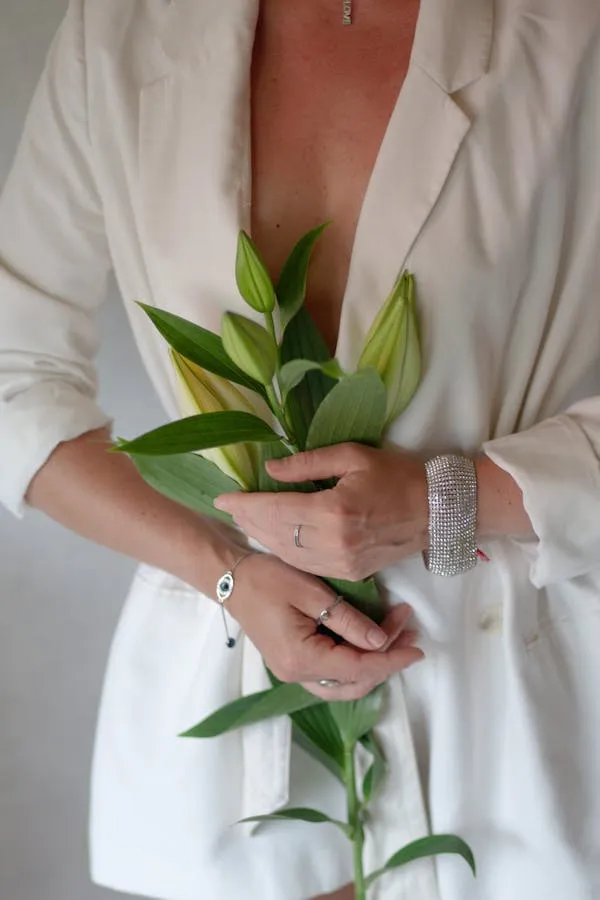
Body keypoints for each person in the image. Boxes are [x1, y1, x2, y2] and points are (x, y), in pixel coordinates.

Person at [1, 0, 600, 898]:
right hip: (234, 732)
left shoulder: (574, 29)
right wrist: (227, 573)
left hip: (526, 707)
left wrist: (458, 498)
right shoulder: (119, 29)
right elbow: (13, 372)